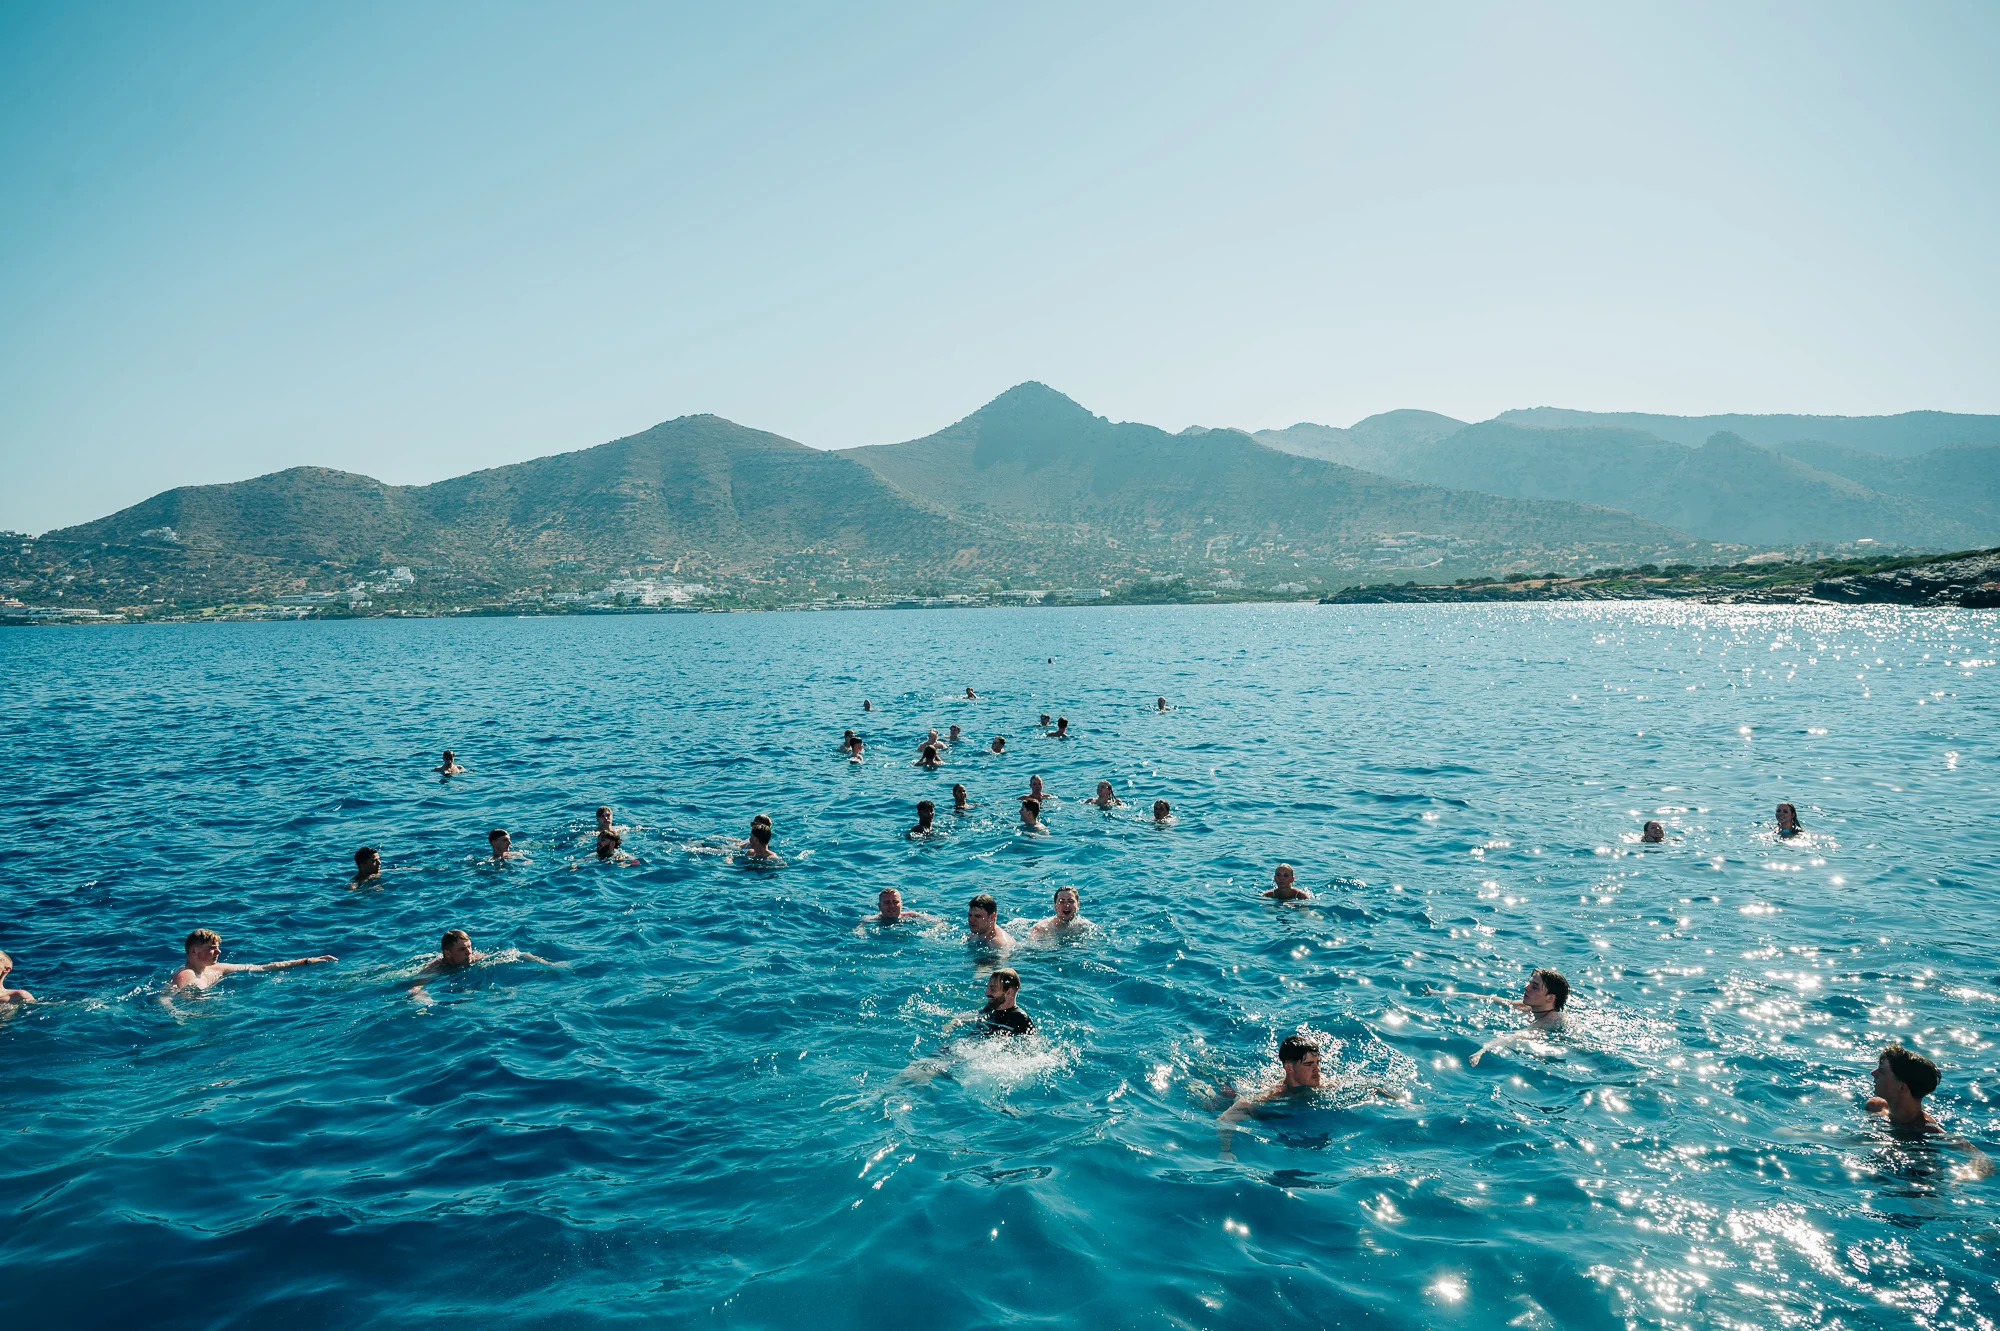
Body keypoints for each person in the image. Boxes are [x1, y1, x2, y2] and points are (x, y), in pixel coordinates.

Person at [169, 929, 336, 991]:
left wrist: (306, 961)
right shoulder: (186, 975)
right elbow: (165, 998)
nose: (218, 951)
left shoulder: (217, 969)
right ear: (194, 951)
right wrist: (181, 1018)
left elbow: (263, 968)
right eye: (212, 948)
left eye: (218, 947)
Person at [1470, 968, 1569, 1065]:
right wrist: (1464, 995)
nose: (1526, 987)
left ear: (1550, 998)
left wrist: (1482, 1051)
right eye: (1529, 983)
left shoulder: (1551, 1019)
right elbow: (1503, 1001)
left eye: (1534, 986)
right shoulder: (1529, 1006)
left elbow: (1516, 1036)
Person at [1866, 1044, 1942, 1134]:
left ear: (1901, 1087)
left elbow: (1959, 1145)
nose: (1873, 1073)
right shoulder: (1874, 1106)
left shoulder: (1929, 1131)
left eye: (1881, 1071)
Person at [977, 968, 1033, 1035]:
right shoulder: (989, 1009)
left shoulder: (1021, 1019)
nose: (987, 993)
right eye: (988, 987)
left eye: (993, 988)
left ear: (1009, 992)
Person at [863, 888, 938, 928]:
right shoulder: (870, 920)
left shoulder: (913, 915)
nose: (892, 906)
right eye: (887, 902)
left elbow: (938, 922)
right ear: (879, 906)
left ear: (901, 904)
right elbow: (859, 928)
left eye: (895, 902)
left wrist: (936, 928)